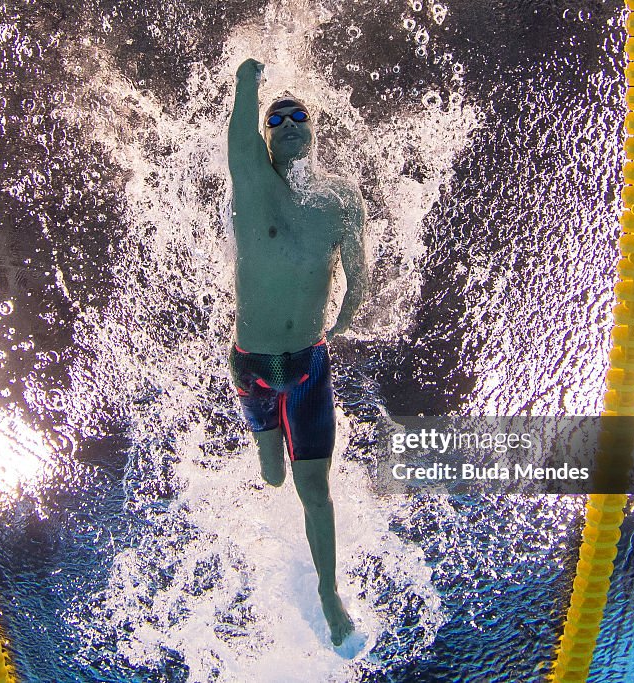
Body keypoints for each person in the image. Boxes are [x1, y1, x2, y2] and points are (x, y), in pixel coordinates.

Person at [226, 57, 368, 647]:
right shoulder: (253, 184)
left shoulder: (341, 198)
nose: (285, 123)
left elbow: (358, 270)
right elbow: (238, 132)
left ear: (314, 127)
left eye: (297, 115)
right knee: (273, 475)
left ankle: (328, 593)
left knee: (314, 489)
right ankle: (264, 449)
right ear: (265, 137)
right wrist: (245, 82)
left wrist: (349, 313)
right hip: (255, 368)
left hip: (309, 366)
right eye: (275, 119)